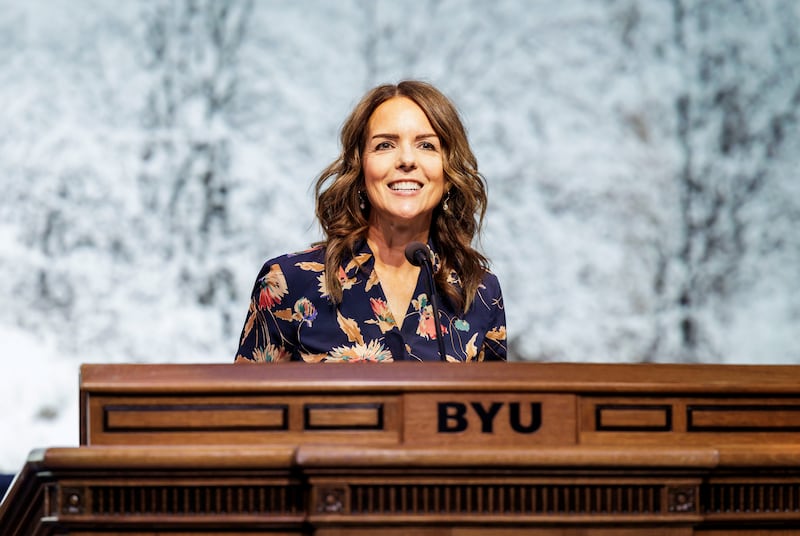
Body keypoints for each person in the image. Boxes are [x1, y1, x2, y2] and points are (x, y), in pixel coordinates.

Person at [235, 80, 506, 363]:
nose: (406, 160)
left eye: (426, 145)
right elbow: (248, 406)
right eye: (385, 145)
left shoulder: (481, 292)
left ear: (448, 174)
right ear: (360, 169)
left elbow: (495, 407)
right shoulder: (289, 281)